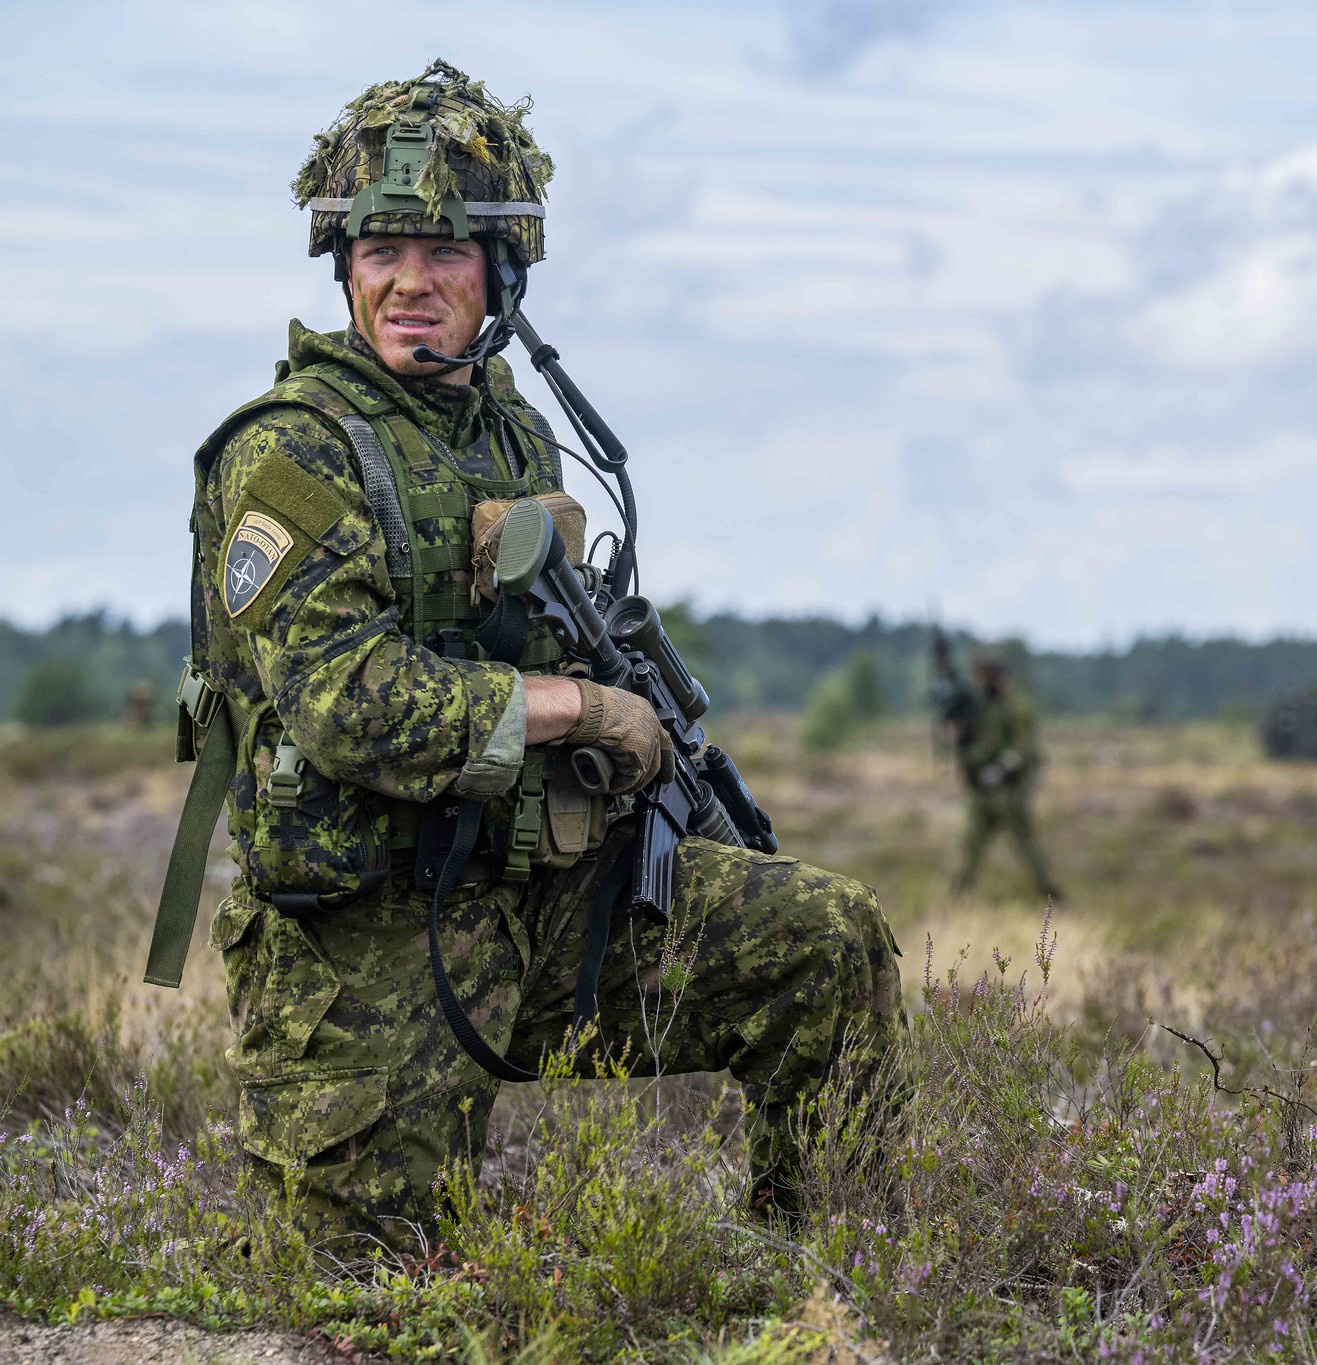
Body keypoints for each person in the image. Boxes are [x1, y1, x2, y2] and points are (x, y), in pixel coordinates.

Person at [159, 62, 901, 1245]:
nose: (409, 282)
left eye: (445, 253)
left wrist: (625, 740)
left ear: (500, 273)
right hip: (366, 950)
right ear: (342, 265)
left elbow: (553, 644)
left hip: (537, 907)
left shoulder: (514, 438)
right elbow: (345, 703)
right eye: (379, 251)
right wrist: (576, 709)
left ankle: (822, 1276)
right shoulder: (293, 457)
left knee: (823, 936)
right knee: (368, 1294)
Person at [946, 652, 1061, 901]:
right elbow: (966, 739)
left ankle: (1053, 898)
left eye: (984, 676)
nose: (980, 681)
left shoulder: (1016, 706)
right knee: (970, 846)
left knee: (1026, 846)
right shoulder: (977, 706)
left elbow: (1024, 746)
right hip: (979, 789)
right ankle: (955, 899)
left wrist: (1000, 769)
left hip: (1007, 791)